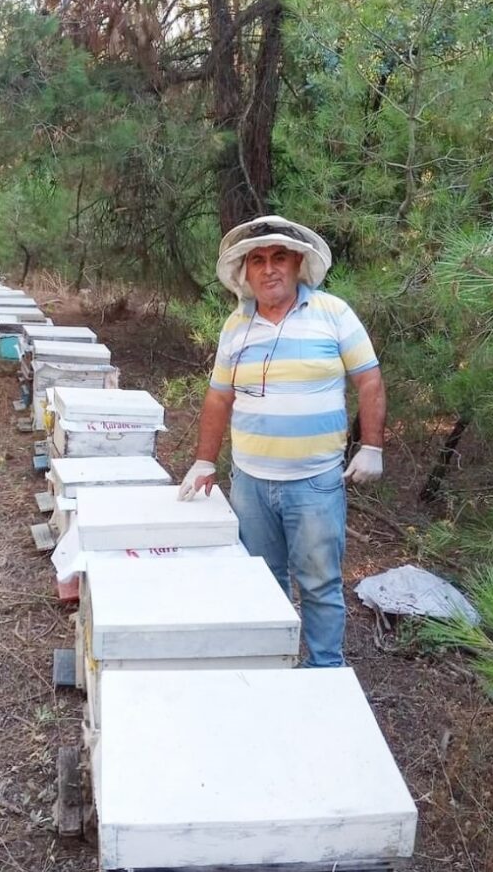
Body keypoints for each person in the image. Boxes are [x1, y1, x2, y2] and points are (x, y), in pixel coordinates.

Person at [178, 215, 386, 667]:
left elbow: (369, 380)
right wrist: (204, 461)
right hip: (251, 482)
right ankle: (271, 666)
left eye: (279, 258)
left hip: (315, 483)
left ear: (297, 264)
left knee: (319, 583)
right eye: (258, 260)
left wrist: (372, 445)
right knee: (261, 578)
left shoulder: (333, 313)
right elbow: (219, 397)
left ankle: (324, 667)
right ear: (246, 272)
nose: (269, 269)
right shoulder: (236, 326)